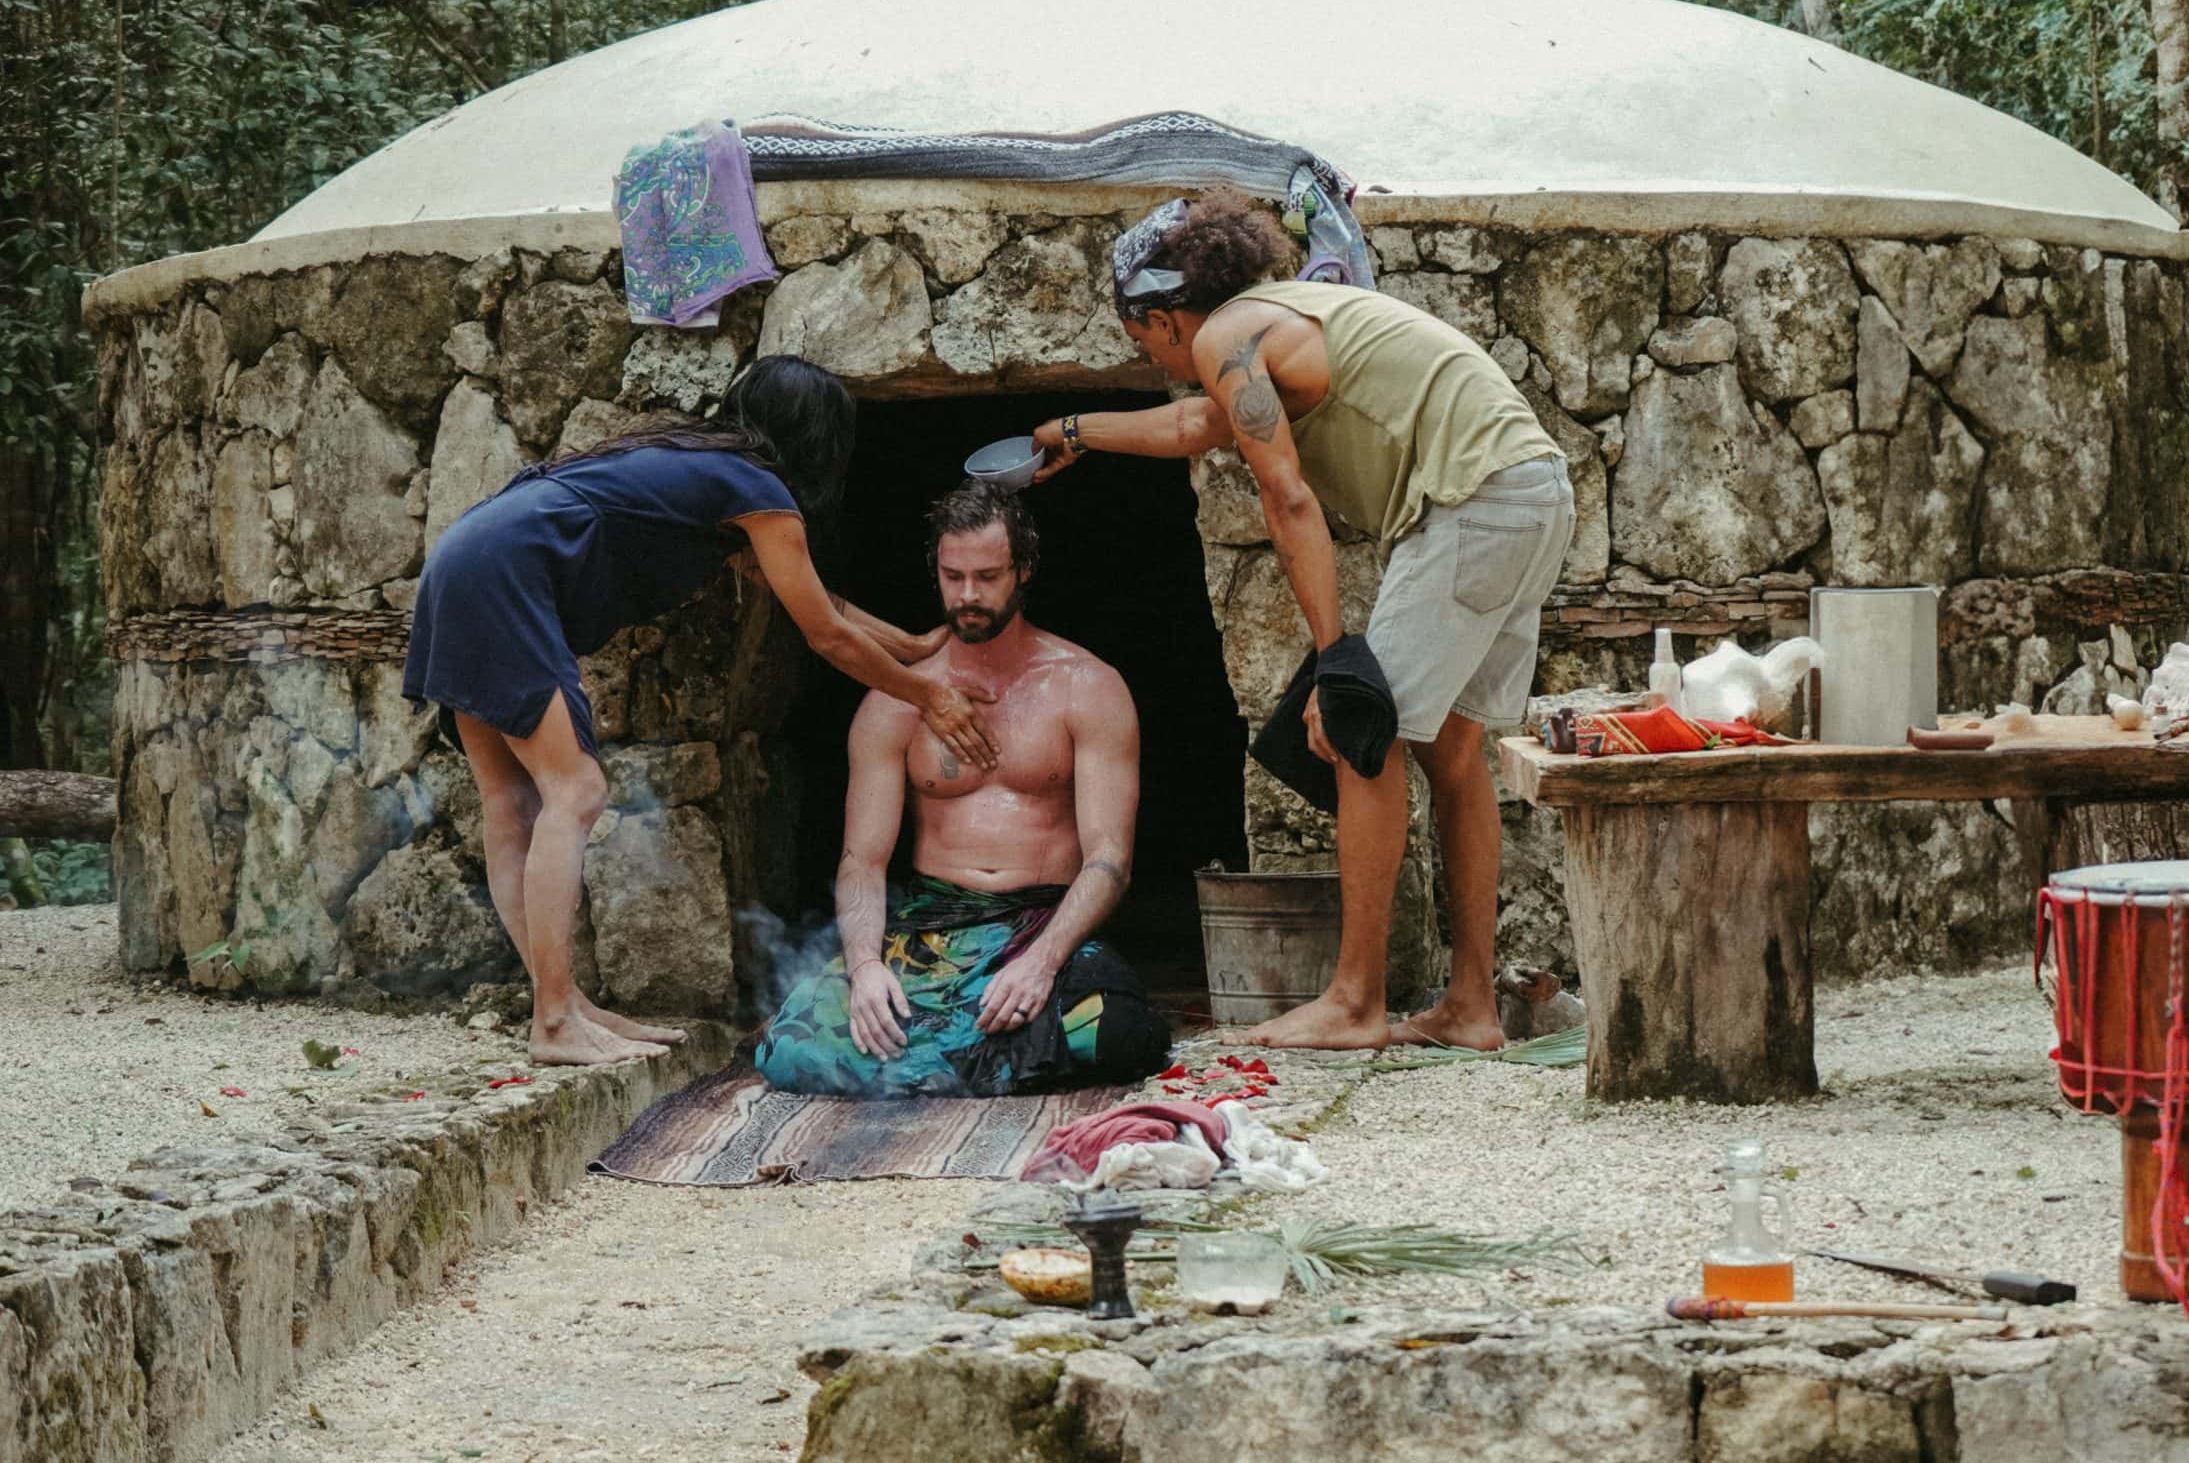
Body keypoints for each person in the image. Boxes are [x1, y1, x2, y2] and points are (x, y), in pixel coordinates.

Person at [1030, 192, 1573, 1052]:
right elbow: (1198, 423)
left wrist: (1335, 660)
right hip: (1532, 488)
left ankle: (1355, 1001)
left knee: (1358, 730)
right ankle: (1470, 1004)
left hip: (1471, 499)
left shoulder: (1224, 338)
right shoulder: (1278, 314)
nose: (1157, 358)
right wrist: (1075, 430)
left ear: (1166, 318)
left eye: (1144, 342)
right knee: (1453, 752)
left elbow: (1286, 496)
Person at [402, 356, 996, 1068]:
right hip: (506, 574)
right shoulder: (758, 489)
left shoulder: (710, 470)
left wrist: (914, 646)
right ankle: (554, 1019)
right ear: (818, 438)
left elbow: (818, 603)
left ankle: (562, 1004)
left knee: (513, 802)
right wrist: (928, 695)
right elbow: (825, 636)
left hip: (465, 556)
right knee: (575, 790)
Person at [755, 480, 1170, 1097]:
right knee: (786, 1046)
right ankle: (976, 1054)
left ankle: (933, 1058)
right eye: (953, 577)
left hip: (1042, 922)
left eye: (987, 576)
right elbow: (862, 860)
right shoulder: (894, 701)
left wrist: (1042, 962)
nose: (968, 595)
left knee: (1117, 1032)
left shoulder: (1088, 687)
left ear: (1024, 570)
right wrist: (865, 968)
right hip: (930, 930)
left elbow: (1110, 859)